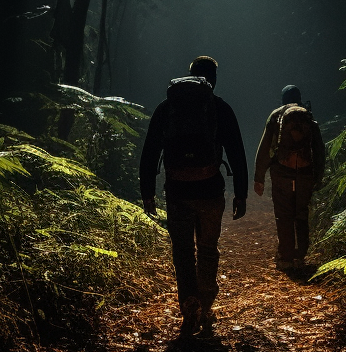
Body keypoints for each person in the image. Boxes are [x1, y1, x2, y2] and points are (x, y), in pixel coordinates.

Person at [139, 56, 249, 336]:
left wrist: (147, 192)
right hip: (211, 190)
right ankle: (206, 303)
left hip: (177, 191)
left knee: (183, 252)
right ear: (213, 77)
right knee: (208, 249)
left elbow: (150, 151)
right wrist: (241, 194)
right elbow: (236, 150)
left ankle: (189, 302)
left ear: (190, 74)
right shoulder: (219, 107)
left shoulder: (168, 107)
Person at [253, 84, 325, 272]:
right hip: (305, 174)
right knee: (301, 213)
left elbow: (265, 148)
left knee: (284, 214)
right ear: (300, 98)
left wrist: (258, 177)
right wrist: (318, 176)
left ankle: (285, 257)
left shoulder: (276, 115)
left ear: (283, 99)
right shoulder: (308, 117)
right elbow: (318, 150)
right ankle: (300, 256)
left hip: (282, 174)